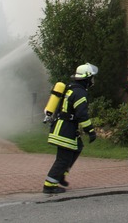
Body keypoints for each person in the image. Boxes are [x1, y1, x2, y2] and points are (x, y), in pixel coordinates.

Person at [43, 63, 98, 194]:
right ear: (87, 79)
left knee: (77, 147)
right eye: (92, 78)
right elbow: (82, 114)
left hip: (63, 127)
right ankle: (49, 185)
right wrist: (90, 131)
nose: (92, 81)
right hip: (65, 129)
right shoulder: (80, 93)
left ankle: (60, 175)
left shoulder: (71, 88)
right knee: (63, 159)